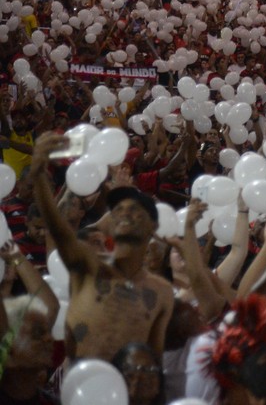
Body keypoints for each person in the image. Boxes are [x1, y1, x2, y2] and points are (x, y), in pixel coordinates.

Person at [30, 132, 174, 361]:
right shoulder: (76, 268)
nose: (101, 246)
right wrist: (38, 174)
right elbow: (54, 225)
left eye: (102, 242)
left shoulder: (151, 287)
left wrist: (124, 192)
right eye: (94, 243)